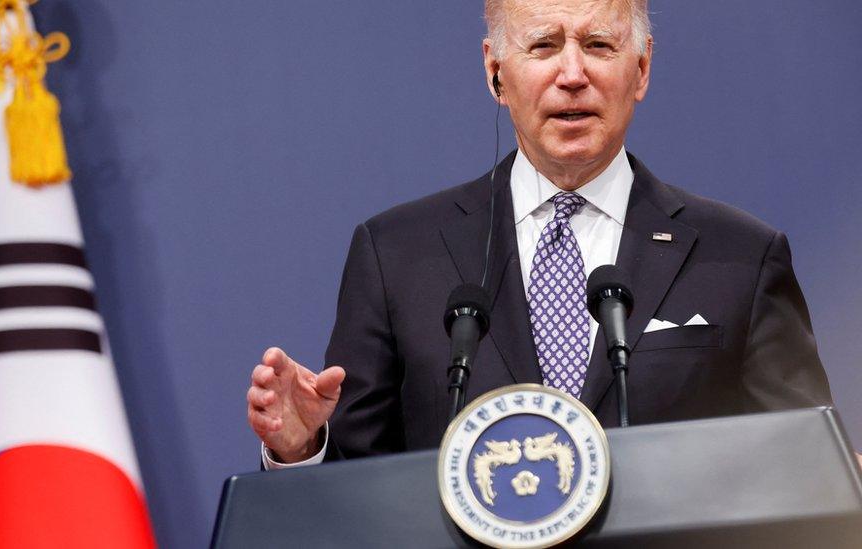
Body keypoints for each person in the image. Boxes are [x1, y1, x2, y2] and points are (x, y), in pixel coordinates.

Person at [246, 0, 835, 468]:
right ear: (495, 71)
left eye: (599, 45)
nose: (572, 74)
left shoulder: (742, 257)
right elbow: (358, 492)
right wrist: (302, 449)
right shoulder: (397, 255)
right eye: (543, 46)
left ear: (642, 68)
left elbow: (808, 472)